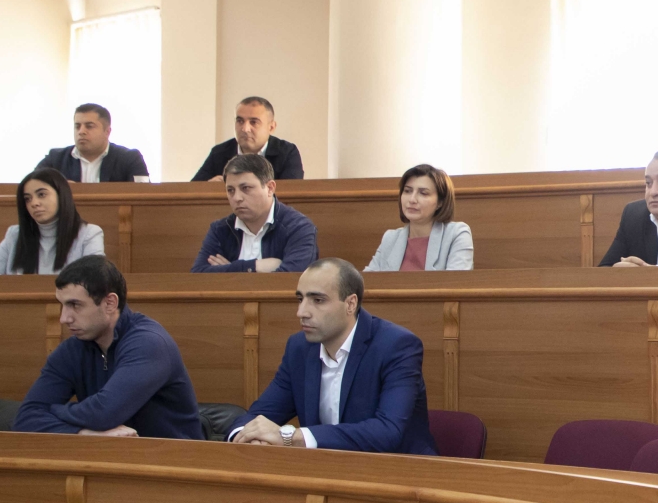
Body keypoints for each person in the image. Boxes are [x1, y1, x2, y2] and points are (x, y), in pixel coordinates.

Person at [229, 258, 437, 454]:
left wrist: (292, 437)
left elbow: (387, 431)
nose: (302, 312)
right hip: (324, 471)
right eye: (300, 299)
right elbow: (258, 415)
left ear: (350, 304)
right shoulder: (299, 348)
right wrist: (248, 437)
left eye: (318, 300)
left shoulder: (396, 346)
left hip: (400, 470)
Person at [15, 256, 202, 439]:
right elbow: (24, 419)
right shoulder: (72, 349)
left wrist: (53, 409)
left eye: (75, 305)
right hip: (112, 455)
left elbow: (103, 413)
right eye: (62, 305)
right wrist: (82, 433)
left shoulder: (149, 343)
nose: (64, 318)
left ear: (110, 303)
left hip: (175, 457)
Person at [192, 154, 318, 274]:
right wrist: (254, 266)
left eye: (246, 188)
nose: (237, 198)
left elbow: (291, 280)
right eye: (230, 190)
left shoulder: (298, 227)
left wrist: (228, 271)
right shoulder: (220, 229)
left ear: (270, 188)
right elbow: (198, 276)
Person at [0, 169, 106, 275]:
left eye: (41, 195)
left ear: (61, 195)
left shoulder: (89, 233)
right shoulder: (15, 234)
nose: (34, 203)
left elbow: (96, 280)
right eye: (27, 199)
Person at [366, 164, 474, 271]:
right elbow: (368, 279)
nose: (412, 200)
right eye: (407, 191)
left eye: (423, 193)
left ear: (440, 202)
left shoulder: (456, 234)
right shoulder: (390, 238)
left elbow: (455, 281)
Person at [191, 96, 305, 182]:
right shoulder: (219, 153)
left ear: (271, 127)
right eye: (240, 121)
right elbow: (192, 191)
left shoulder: (287, 152)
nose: (245, 129)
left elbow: (292, 194)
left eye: (254, 122)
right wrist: (210, 187)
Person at [36, 104, 150, 183]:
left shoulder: (129, 159)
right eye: (77, 126)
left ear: (107, 131)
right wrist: (59, 186)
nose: (81, 131)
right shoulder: (56, 158)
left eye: (89, 126)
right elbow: (32, 183)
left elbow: (143, 194)